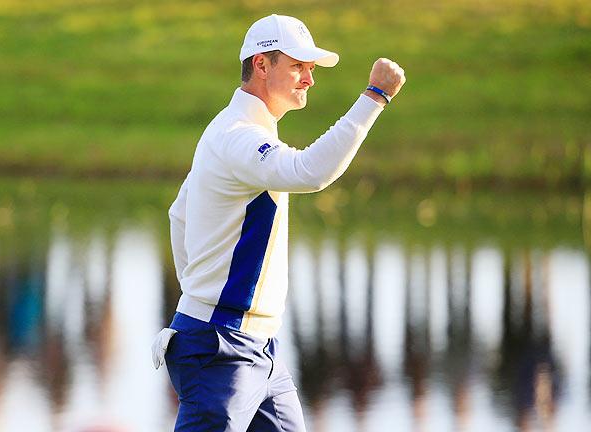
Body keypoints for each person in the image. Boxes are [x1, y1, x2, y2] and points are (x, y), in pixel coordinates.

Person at [151, 13, 405, 432]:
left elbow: (179, 213)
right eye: (298, 66)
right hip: (220, 348)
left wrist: (196, 295)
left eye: (309, 69)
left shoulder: (236, 130)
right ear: (261, 65)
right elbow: (308, 171)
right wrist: (374, 96)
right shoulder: (237, 135)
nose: (309, 79)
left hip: (258, 348)